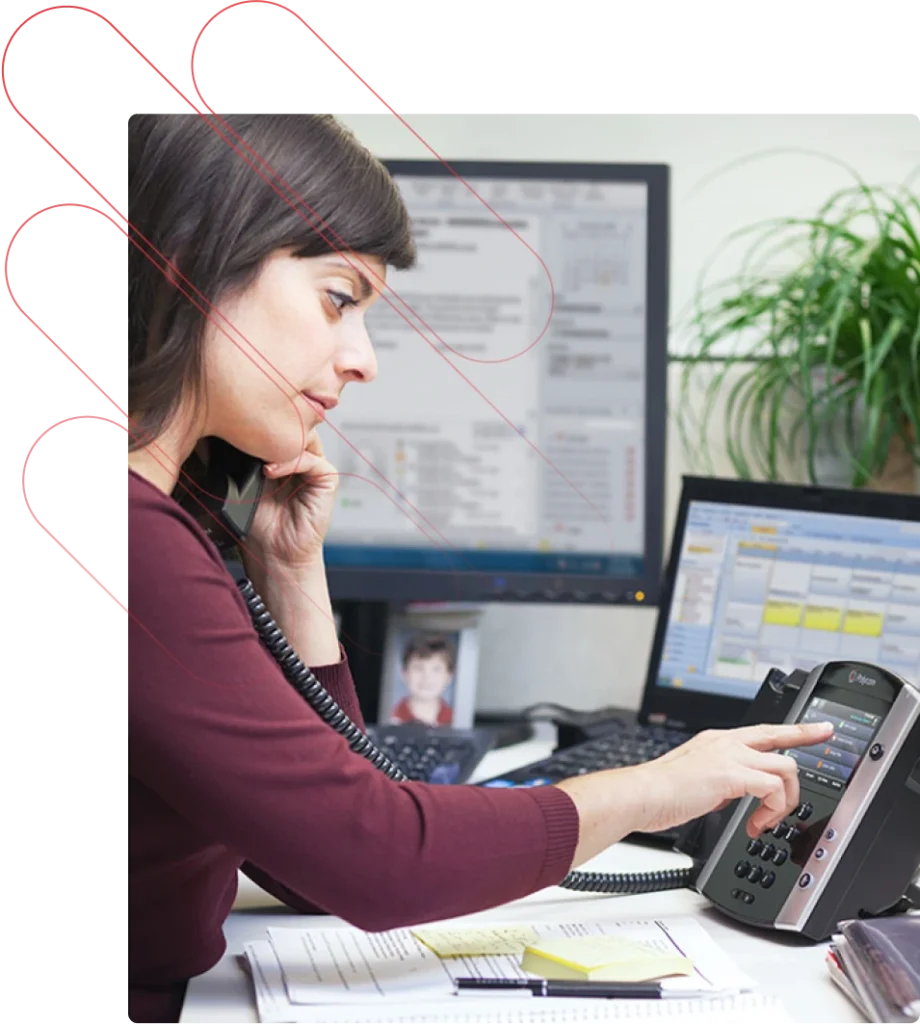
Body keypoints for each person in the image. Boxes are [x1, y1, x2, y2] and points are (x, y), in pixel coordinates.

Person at [127, 112, 834, 1024]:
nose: (363, 360)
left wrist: (291, 573)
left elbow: (307, 863)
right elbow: (376, 861)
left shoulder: (169, 523)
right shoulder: (137, 544)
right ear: (192, 256)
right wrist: (659, 784)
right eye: (339, 299)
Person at [389, 632, 457, 726]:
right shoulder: (390, 719)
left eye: (436, 669)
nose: (426, 677)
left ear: (449, 676)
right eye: (418, 668)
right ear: (404, 673)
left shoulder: (456, 721)